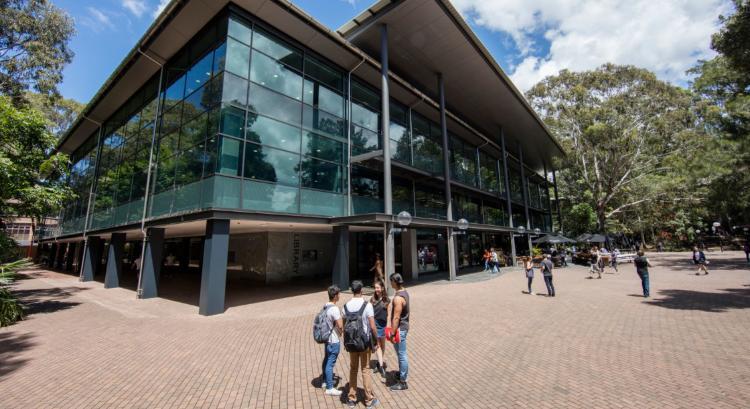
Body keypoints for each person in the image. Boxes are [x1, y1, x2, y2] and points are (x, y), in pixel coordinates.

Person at [344, 280, 380, 408]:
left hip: (351, 343)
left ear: (352, 290)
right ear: (362, 290)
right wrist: (376, 341)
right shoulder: (367, 305)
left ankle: (352, 398)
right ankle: (369, 399)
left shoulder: (346, 306)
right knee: (365, 369)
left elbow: (345, 325)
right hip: (364, 343)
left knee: (353, 369)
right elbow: (372, 326)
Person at [387, 273, 409, 391]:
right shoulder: (405, 292)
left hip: (400, 329)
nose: (390, 283)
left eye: (391, 281)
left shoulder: (398, 298)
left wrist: (392, 332)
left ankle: (403, 381)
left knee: (402, 354)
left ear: (395, 282)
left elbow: (396, 317)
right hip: (404, 327)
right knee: (401, 354)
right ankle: (401, 373)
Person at [321, 286, 344, 396]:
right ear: (335, 296)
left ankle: (325, 381)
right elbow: (340, 325)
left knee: (326, 360)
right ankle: (330, 387)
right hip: (334, 339)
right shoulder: (334, 309)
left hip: (327, 339)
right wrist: (342, 330)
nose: (339, 296)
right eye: (339, 294)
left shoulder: (326, 306)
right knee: (330, 363)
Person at [370, 279, 390, 379]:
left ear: (382, 288)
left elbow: (387, 313)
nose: (376, 289)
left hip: (383, 325)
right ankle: (381, 367)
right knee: (377, 345)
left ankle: (379, 363)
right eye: (375, 288)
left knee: (382, 345)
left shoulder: (386, 300)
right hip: (375, 324)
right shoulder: (372, 300)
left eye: (378, 287)